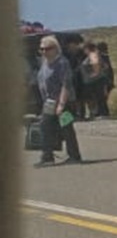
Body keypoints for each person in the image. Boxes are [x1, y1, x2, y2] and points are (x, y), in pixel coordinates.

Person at [33, 35, 82, 166]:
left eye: (47, 49)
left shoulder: (62, 63)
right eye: (42, 49)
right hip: (49, 103)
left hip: (64, 102)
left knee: (66, 128)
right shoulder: (44, 63)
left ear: (55, 49)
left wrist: (61, 104)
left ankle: (74, 156)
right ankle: (47, 155)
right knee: (45, 127)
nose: (44, 52)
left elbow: (66, 84)